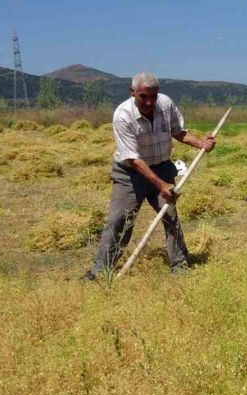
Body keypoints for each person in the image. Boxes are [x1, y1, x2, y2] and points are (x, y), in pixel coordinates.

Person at [82, 72, 215, 280]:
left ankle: (180, 267)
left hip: (162, 167)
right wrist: (161, 185)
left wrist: (201, 143)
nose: (149, 101)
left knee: (170, 216)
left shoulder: (166, 104)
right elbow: (133, 159)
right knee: (119, 219)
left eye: (153, 96)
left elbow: (178, 131)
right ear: (132, 92)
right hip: (130, 174)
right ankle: (100, 271)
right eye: (143, 96)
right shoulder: (122, 115)